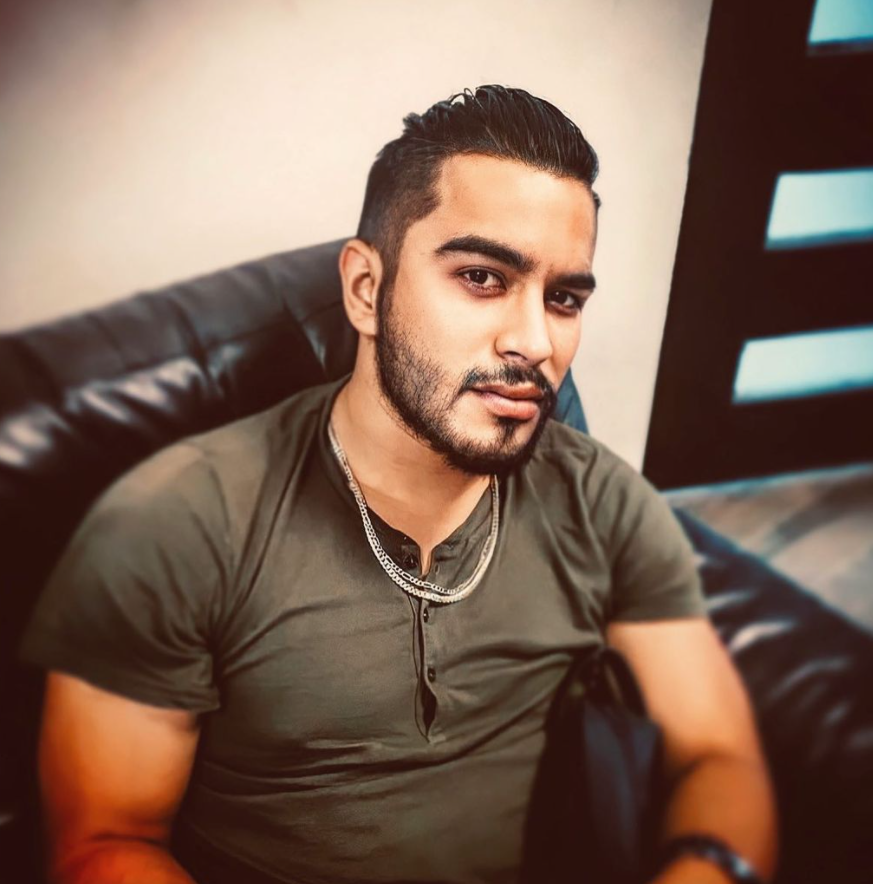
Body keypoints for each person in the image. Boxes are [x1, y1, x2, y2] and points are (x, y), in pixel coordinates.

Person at [21, 85, 777, 884]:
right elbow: (105, 842)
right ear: (365, 290)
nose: (533, 341)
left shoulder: (601, 502)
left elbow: (718, 753)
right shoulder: (177, 522)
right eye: (482, 277)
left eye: (562, 298)